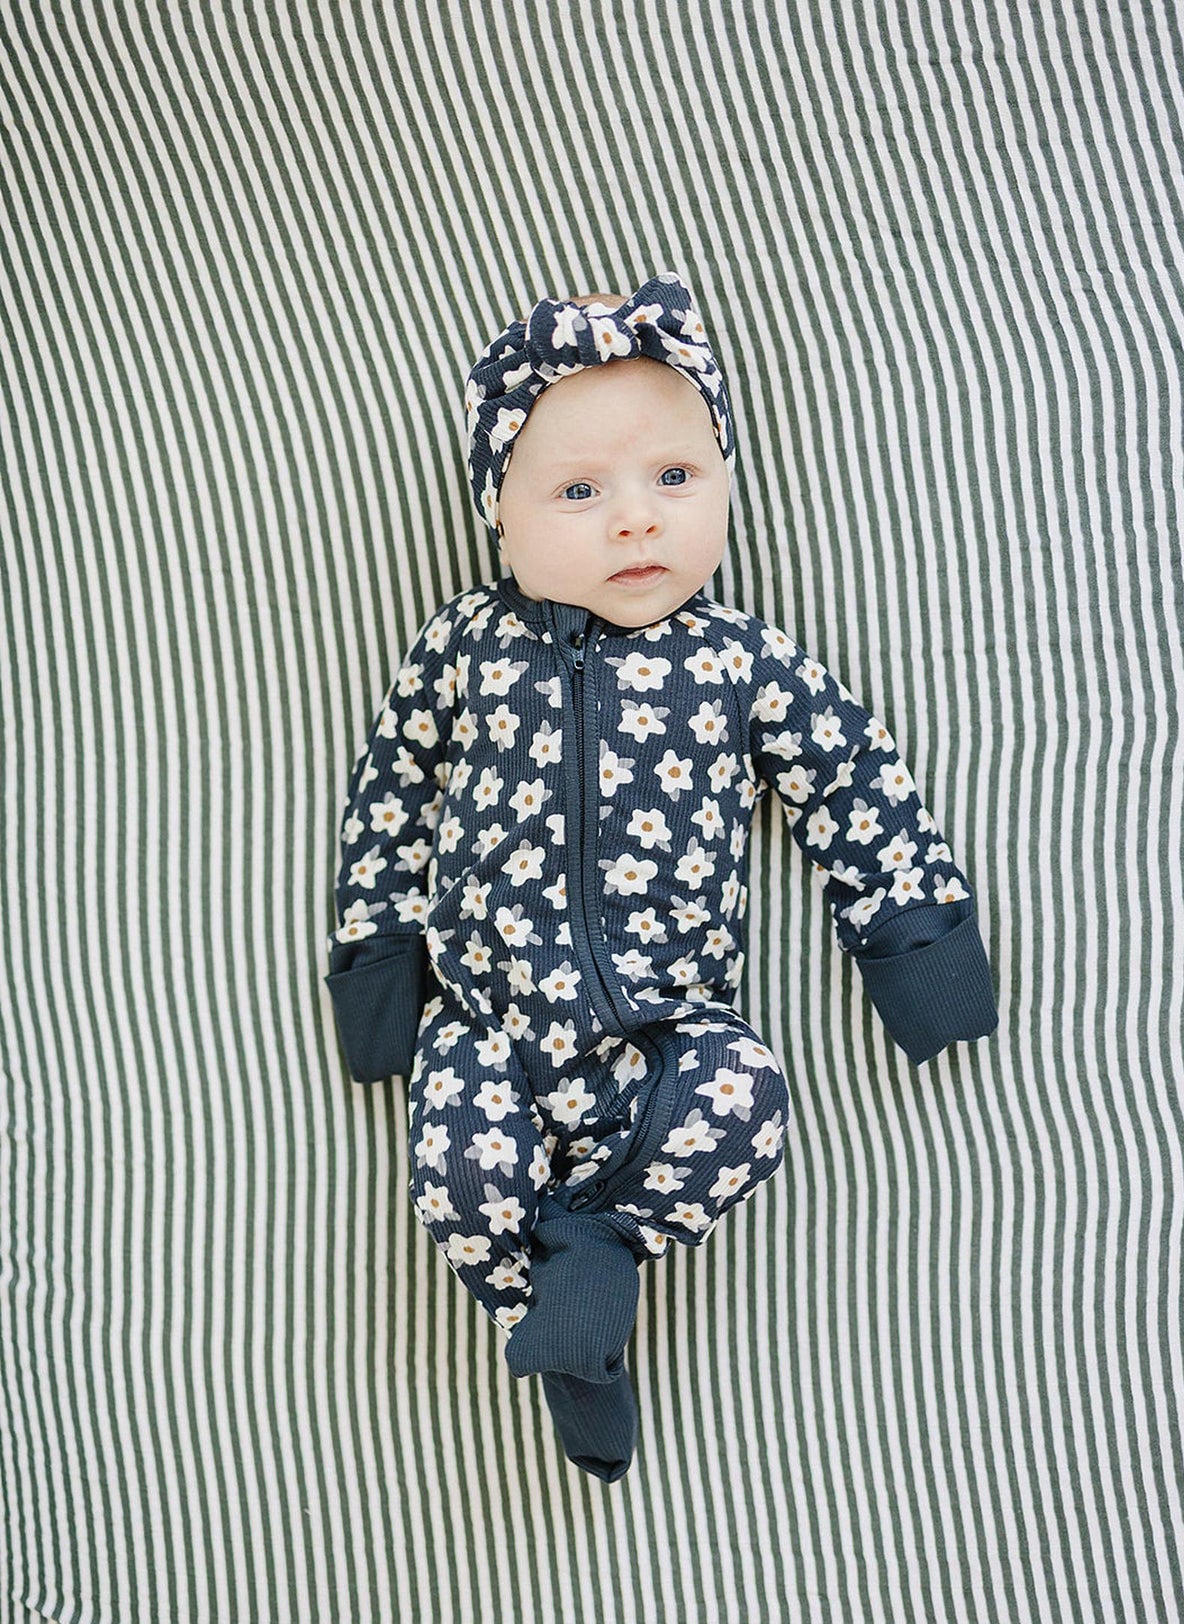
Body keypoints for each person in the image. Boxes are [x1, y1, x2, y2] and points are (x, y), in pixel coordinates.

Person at [324, 272, 999, 1484]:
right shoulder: (465, 645)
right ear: (499, 517)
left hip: (667, 1027)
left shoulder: (739, 658)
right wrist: (377, 964)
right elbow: (392, 796)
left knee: (751, 1101)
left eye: (675, 477)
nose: (636, 521)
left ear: (726, 486)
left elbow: (851, 779)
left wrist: (916, 937)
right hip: (485, 1025)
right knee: (458, 1177)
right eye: (580, 492)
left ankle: (594, 1250)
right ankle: (563, 1328)